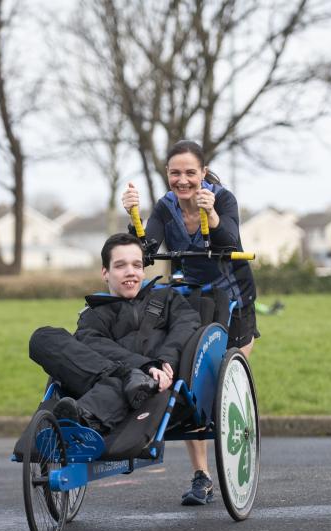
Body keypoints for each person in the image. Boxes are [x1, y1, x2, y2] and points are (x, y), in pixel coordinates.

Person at [121, 139, 259, 506]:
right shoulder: (165, 207)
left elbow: (230, 239)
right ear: (167, 174)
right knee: (191, 376)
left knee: (225, 382)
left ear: (203, 172)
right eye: (175, 173)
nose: (183, 181)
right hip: (191, 295)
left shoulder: (222, 198)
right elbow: (146, 249)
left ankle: (236, 459)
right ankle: (202, 476)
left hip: (235, 297)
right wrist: (133, 216)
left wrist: (211, 216)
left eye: (190, 173)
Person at [29, 232, 201, 435]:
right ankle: (128, 377)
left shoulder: (167, 298)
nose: (131, 272)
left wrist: (161, 362)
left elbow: (186, 326)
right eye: (120, 266)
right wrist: (133, 368)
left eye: (137, 265)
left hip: (155, 386)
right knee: (43, 337)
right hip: (106, 377)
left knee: (131, 383)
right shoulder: (94, 314)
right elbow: (91, 345)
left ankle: (83, 418)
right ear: (105, 273)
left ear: (144, 272)